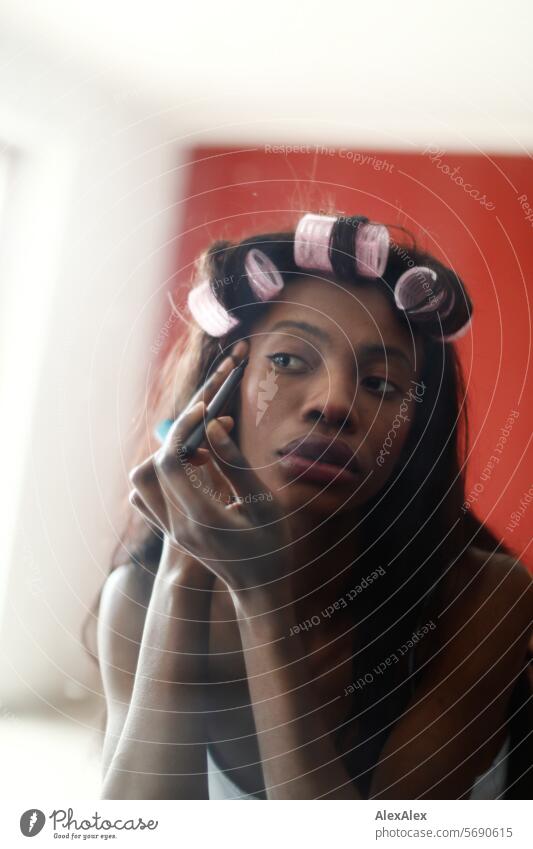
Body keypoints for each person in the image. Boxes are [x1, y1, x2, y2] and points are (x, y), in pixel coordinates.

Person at [85, 211, 533, 799]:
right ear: (220, 393)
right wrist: (182, 566)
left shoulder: (482, 601)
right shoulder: (141, 598)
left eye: (381, 384)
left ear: (412, 436)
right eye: (289, 361)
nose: (335, 403)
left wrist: (262, 601)